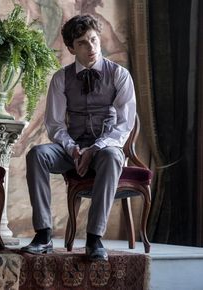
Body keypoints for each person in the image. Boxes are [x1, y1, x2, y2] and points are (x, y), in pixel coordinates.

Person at [21, 14, 136, 261]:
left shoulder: (119, 75)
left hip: (104, 148)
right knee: (36, 155)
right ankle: (43, 235)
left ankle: (95, 240)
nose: (91, 47)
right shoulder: (61, 78)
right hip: (70, 148)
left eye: (93, 39)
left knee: (113, 156)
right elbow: (54, 125)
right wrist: (73, 149)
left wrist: (94, 148)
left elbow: (124, 126)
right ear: (72, 47)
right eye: (83, 42)